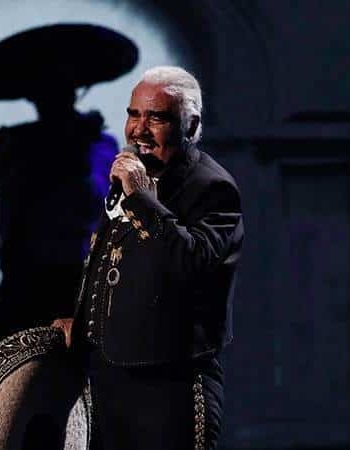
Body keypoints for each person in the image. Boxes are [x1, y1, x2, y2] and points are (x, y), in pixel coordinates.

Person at [53, 66, 244, 450]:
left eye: (156, 118)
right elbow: (112, 262)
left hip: (169, 389)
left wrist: (141, 198)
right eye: (133, 114)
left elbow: (190, 264)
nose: (138, 130)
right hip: (107, 382)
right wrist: (85, 322)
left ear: (191, 126)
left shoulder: (213, 188)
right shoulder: (133, 176)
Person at [0, 24, 137, 346]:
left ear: (72, 91)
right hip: (24, 280)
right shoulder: (13, 143)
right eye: (43, 91)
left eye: (59, 89)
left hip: (83, 281)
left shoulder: (101, 146)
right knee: (6, 366)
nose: (51, 99)